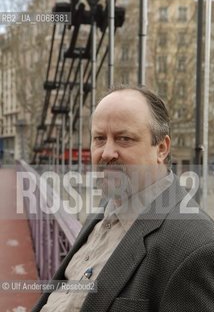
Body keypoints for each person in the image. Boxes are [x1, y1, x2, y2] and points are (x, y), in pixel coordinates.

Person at [33, 85, 214, 311]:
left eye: (124, 138)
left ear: (161, 148)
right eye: (99, 138)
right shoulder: (105, 211)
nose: (107, 153)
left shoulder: (197, 246)